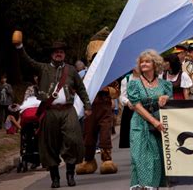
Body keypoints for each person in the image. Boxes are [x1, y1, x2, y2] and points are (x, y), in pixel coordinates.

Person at [14, 37, 92, 188]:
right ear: (51, 54)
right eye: (56, 52)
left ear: (64, 54)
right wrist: (19, 46)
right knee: (50, 145)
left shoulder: (71, 70)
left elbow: (81, 89)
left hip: (68, 110)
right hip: (49, 111)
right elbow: (27, 61)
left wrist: (87, 105)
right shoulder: (43, 68)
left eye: (61, 52)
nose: (59, 54)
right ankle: (55, 178)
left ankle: (70, 174)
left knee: (74, 140)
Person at [77, 28, 119, 175]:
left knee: (105, 134)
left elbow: (116, 91)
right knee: (88, 136)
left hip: (105, 108)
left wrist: (106, 89)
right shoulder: (85, 75)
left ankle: (107, 160)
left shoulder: (109, 73)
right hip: (90, 108)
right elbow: (79, 90)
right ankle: (88, 161)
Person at [128, 50, 172, 189]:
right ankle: (144, 186)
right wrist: (154, 122)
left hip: (159, 124)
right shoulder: (134, 83)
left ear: (155, 64)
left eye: (147, 61)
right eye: (142, 62)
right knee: (141, 157)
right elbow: (136, 106)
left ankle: (153, 186)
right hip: (140, 123)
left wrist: (166, 98)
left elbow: (170, 102)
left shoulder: (164, 84)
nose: (144, 64)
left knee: (157, 157)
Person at [119, 72, 136, 149]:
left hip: (145, 109)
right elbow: (122, 96)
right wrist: (127, 102)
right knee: (131, 138)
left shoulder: (147, 77)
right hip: (130, 111)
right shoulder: (126, 79)